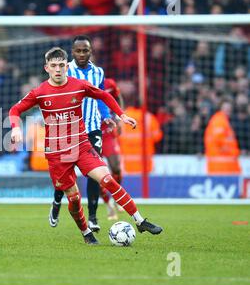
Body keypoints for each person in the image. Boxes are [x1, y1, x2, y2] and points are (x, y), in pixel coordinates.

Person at [9, 47, 163, 245]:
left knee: (107, 179)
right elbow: (15, 109)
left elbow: (105, 96)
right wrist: (15, 128)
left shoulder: (79, 85)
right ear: (46, 68)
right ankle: (85, 231)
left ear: (67, 66)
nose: (58, 69)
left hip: (81, 145)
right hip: (57, 153)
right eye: (54, 66)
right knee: (73, 198)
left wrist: (121, 115)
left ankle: (140, 221)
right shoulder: (40, 92)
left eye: (61, 65)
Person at [49, 35, 115, 232]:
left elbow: (101, 96)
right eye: (78, 50)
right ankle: (56, 202)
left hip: (93, 127)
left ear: (90, 51)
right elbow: (53, 93)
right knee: (65, 174)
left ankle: (93, 217)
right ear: (72, 52)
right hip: (68, 128)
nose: (81, 54)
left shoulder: (98, 72)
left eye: (85, 50)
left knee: (95, 173)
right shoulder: (64, 70)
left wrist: (106, 116)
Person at [99, 78, 126, 220]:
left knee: (116, 168)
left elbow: (118, 97)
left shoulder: (109, 83)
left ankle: (116, 197)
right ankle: (108, 205)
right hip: (91, 132)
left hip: (108, 130)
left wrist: (119, 117)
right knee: (97, 174)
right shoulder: (79, 84)